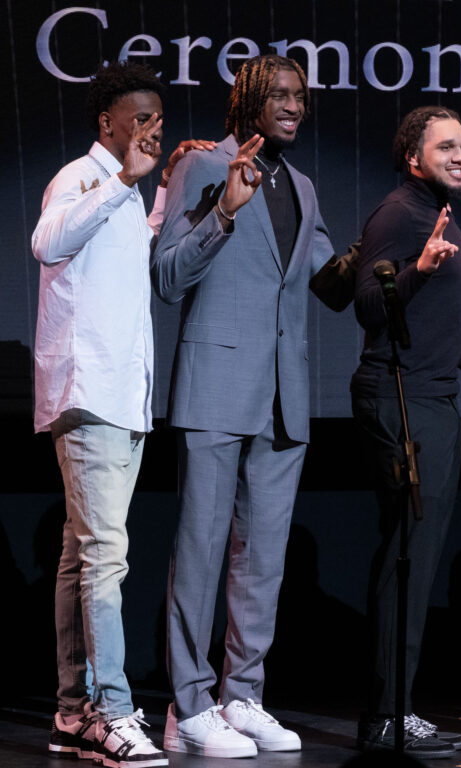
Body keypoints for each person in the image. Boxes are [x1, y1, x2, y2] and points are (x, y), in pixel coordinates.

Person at [152, 54, 351, 758]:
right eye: (283, 95)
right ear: (249, 101)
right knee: (200, 551)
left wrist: (399, 260)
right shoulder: (204, 168)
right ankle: (189, 703)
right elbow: (169, 276)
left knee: (262, 560)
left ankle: (244, 695)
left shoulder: (302, 184)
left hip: (282, 398)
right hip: (214, 387)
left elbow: (330, 282)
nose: (296, 105)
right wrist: (224, 216)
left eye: (302, 95)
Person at [33, 61, 212, 768]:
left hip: (122, 397)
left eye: (157, 121)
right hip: (88, 391)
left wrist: (167, 188)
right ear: (106, 121)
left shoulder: (126, 195)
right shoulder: (79, 178)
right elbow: (47, 243)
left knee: (83, 555)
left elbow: (142, 259)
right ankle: (111, 711)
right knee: (106, 555)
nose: (149, 128)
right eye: (139, 118)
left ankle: (74, 711)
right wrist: (125, 181)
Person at [352, 106, 461, 760]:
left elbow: (424, 316)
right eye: (447, 146)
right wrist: (418, 269)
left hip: (434, 395)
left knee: (416, 554)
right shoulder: (400, 216)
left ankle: (397, 708)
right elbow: (366, 305)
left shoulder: (434, 214)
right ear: (413, 156)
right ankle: (385, 715)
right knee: (407, 556)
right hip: (403, 400)